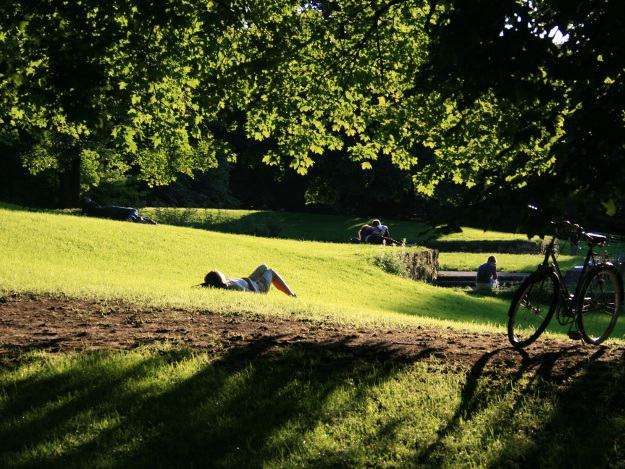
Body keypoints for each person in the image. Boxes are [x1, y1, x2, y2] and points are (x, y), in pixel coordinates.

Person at [201, 264, 297, 297]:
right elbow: (252, 294)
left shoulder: (226, 283)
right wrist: (258, 286)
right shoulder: (233, 287)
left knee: (263, 267)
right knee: (270, 272)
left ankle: (291, 294)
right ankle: (291, 295)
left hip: (250, 280)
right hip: (258, 287)